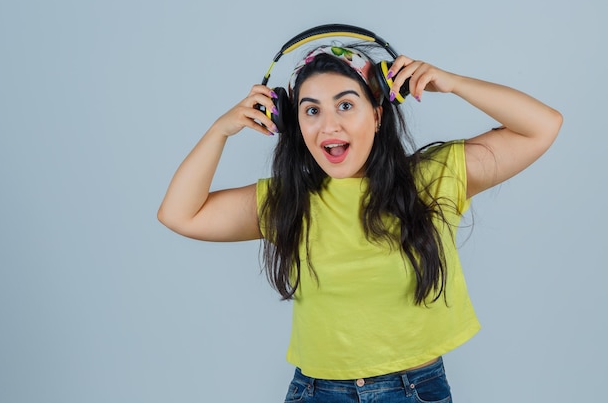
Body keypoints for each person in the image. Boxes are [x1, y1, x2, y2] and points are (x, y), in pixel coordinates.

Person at [157, 34, 562, 402]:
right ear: (293, 123)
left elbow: (542, 127)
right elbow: (180, 214)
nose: (328, 125)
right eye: (310, 110)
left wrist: (450, 82)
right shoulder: (287, 200)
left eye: (346, 105)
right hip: (317, 392)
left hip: (413, 390)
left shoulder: (433, 177)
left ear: (378, 115)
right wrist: (219, 130)